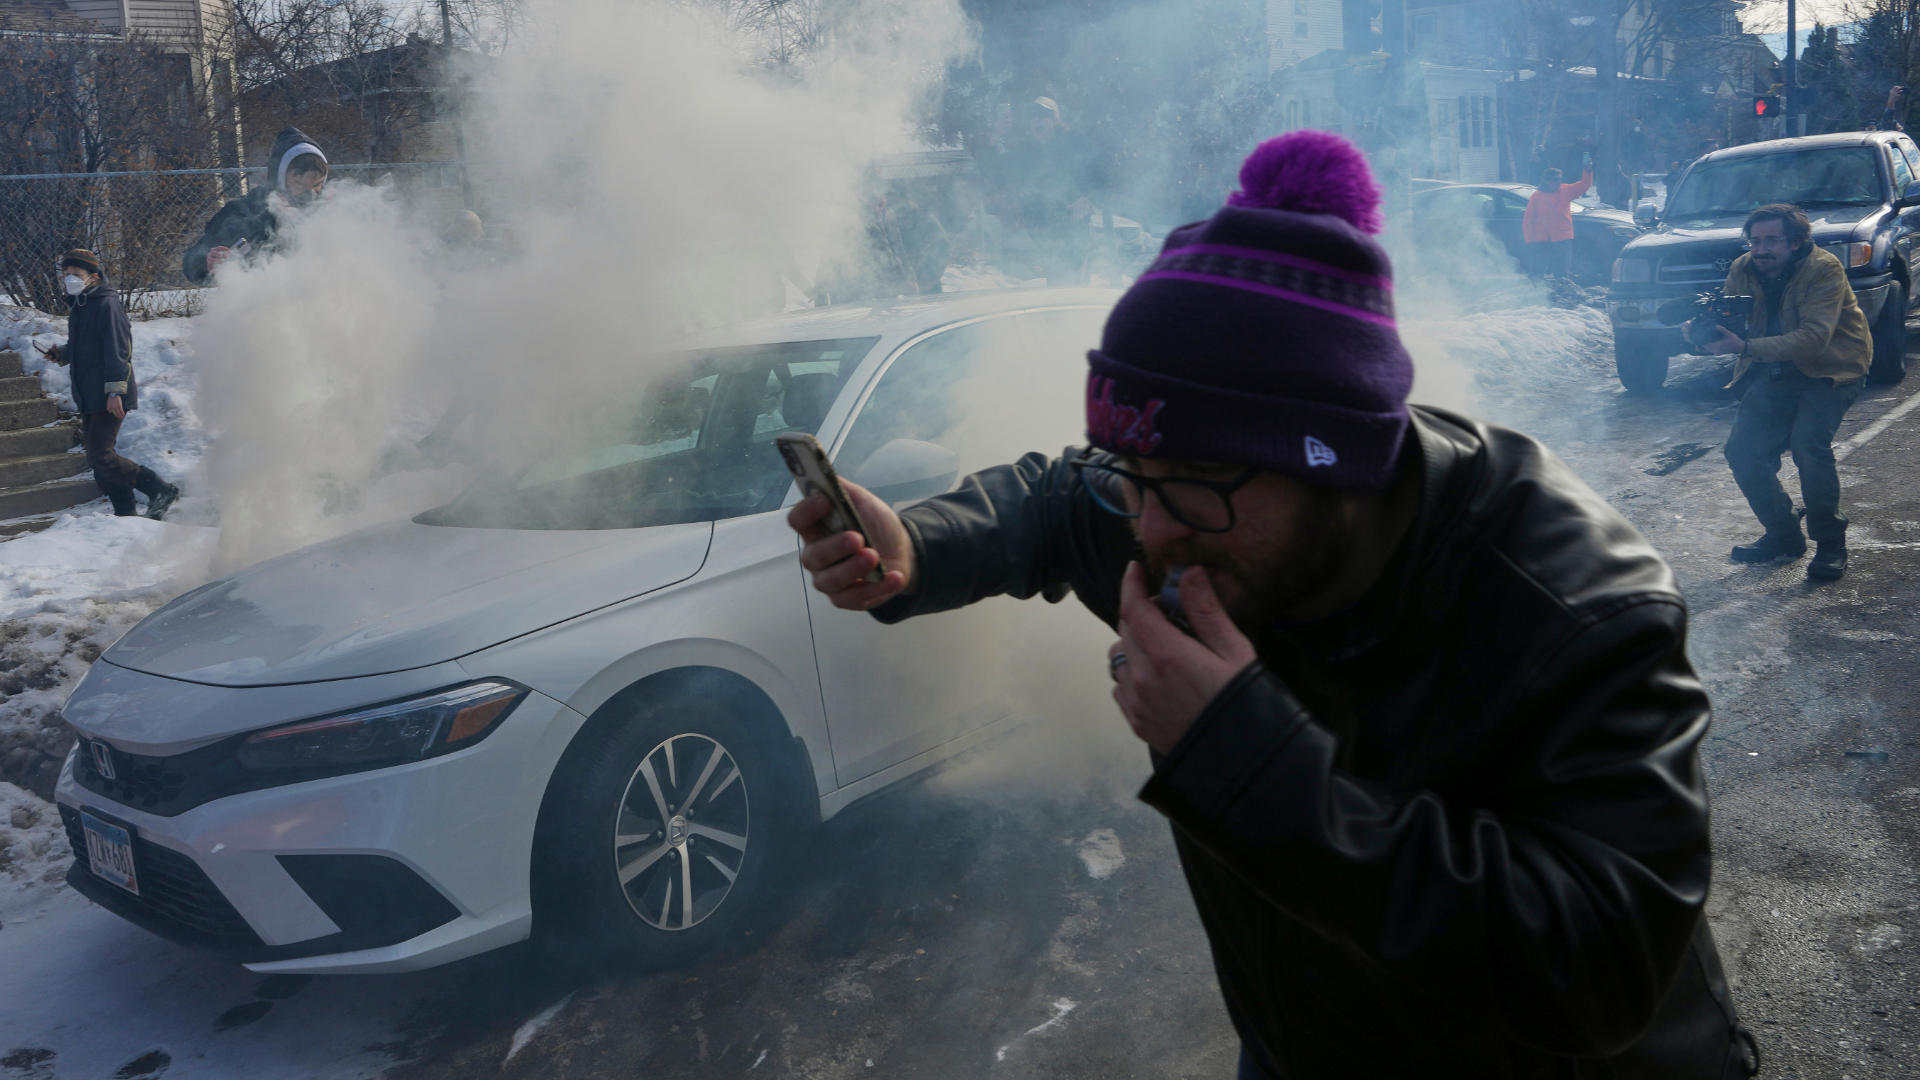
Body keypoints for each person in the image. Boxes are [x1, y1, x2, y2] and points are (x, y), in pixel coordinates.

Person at [789, 131, 1759, 1078]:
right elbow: (1055, 495)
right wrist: (920, 547)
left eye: (1194, 480)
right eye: (1134, 471)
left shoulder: (1575, 605)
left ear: (1340, 470)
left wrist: (1245, 761)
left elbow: (1600, 971)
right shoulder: (1182, 508)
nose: (1151, 528)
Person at [1691, 203, 1871, 579]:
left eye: (1772, 240)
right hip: (1773, 369)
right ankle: (1784, 533)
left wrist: (1743, 347)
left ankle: (1830, 542)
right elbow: (1730, 320)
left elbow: (1813, 340)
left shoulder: (1824, 269)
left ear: (1796, 241)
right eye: (1755, 241)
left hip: (1831, 369)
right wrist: (1701, 332)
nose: (1761, 249)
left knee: (1809, 446)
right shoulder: (1743, 269)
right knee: (1742, 452)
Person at [38, 251, 180, 519]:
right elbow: (88, 345)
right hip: (90, 392)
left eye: (76, 275)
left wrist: (115, 392)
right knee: (97, 459)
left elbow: (118, 352)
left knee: (102, 457)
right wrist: (62, 354)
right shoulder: (81, 304)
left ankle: (160, 489)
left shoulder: (107, 306)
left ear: (93, 277)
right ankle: (125, 514)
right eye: (66, 274)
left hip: (110, 394)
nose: (69, 280)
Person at [181, 128, 330, 285]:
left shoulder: (329, 213)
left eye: (317, 186)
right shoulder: (244, 212)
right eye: (299, 186)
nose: (309, 194)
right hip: (254, 301)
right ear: (280, 178)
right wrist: (208, 261)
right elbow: (192, 260)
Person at [1521, 164, 1591, 279]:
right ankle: (1534, 293)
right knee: (1537, 271)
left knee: (1562, 272)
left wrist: (1587, 172)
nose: (1559, 182)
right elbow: (1528, 220)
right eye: (1555, 179)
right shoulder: (1536, 196)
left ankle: (1562, 294)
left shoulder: (1565, 190)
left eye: (1560, 179)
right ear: (1546, 181)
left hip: (1562, 237)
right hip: (1541, 239)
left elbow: (1583, 186)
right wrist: (1529, 240)